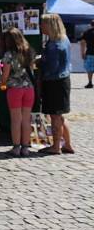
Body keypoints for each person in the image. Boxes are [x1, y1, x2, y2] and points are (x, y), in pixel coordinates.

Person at [38, 14, 74, 155]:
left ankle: (56, 146)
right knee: (60, 115)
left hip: (55, 82)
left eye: (43, 24)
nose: (41, 26)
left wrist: (39, 63)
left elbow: (51, 67)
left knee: (55, 116)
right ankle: (68, 145)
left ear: (50, 25)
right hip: (63, 81)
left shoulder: (54, 44)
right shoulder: (64, 39)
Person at [0, 28, 36, 157]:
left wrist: (2, 83)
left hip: (15, 89)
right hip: (29, 89)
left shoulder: (9, 54)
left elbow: (5, 74)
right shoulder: (29, 51)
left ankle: (16, 147)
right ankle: (25, 148)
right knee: (26, 119)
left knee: (16, 119)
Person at [81, 19, 94, 88]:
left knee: (90, 69)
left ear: (91, 25)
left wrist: (82, 53)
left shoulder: (86, 32)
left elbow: (82, 43)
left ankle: (90, 82)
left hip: (90, 53)